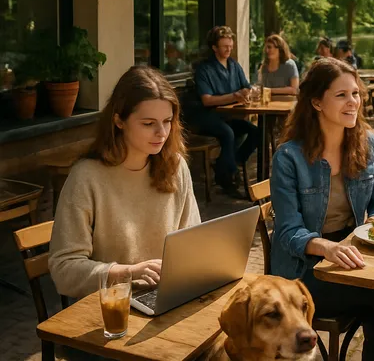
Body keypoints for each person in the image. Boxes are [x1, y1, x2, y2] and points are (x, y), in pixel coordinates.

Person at [270, 58, 374, 361]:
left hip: (352, 258)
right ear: (317, 102)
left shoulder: (367, 144)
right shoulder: (288, 157)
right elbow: (287, 231)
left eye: (355, 93)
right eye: (342, 95)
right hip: (300, 276)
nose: (353, 102)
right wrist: (327, 248)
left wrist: (373, 223)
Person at [49, 66, 201, 299]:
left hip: (166, 296)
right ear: (119, 120)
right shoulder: (86, 177)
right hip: (110, 307)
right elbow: (63, 268)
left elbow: (193, 241)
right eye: (148, 123)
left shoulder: (175, 166)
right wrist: (127, 272)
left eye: (167, 121)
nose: (162, 133)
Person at [194, 26, 262, 195]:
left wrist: (250, 91)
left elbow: (246, 86)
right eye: (224, 46)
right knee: (228, 133)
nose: (228, 50)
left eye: (230, 46)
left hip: (228, 116)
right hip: (207, 116)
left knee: (257, 132)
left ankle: (230, 164)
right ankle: (230, 181)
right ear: (214, 47)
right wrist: (234, 96)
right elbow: (207, 100)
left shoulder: (234, 64)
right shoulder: (204, 69)